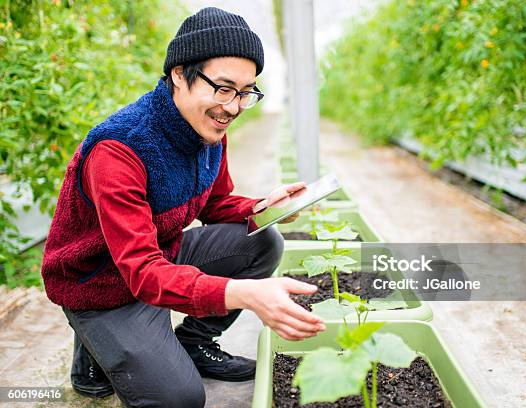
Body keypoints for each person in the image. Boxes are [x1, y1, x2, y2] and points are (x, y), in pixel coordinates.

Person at [40, 7, 325, 407]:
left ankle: (193, 343)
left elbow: (218, 203)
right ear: (179, 74)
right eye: (224, 88)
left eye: (246, 92)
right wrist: (243, 293)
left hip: (160, 254)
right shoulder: (120, 150)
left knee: (263, 241)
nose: (234, 106)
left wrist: (263, 207)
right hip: (101, 281)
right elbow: (140, 272)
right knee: (179, 398)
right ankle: (93, 341)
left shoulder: (208, 129)